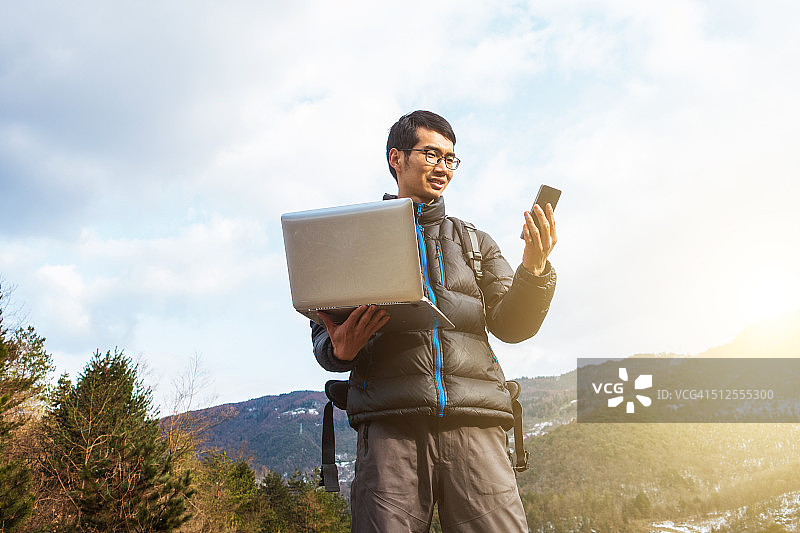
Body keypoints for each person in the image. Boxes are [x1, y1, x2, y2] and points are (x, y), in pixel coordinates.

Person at [311, 110, 557, 532]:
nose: (443, 167)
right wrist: (338, 350)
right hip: (391, 432)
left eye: (450, 158)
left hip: (476, 425)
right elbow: (325, 333)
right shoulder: (354, 242)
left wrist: (533, 271)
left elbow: (512, 327)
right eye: (431, 154)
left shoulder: (475, 243)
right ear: (397, 159)